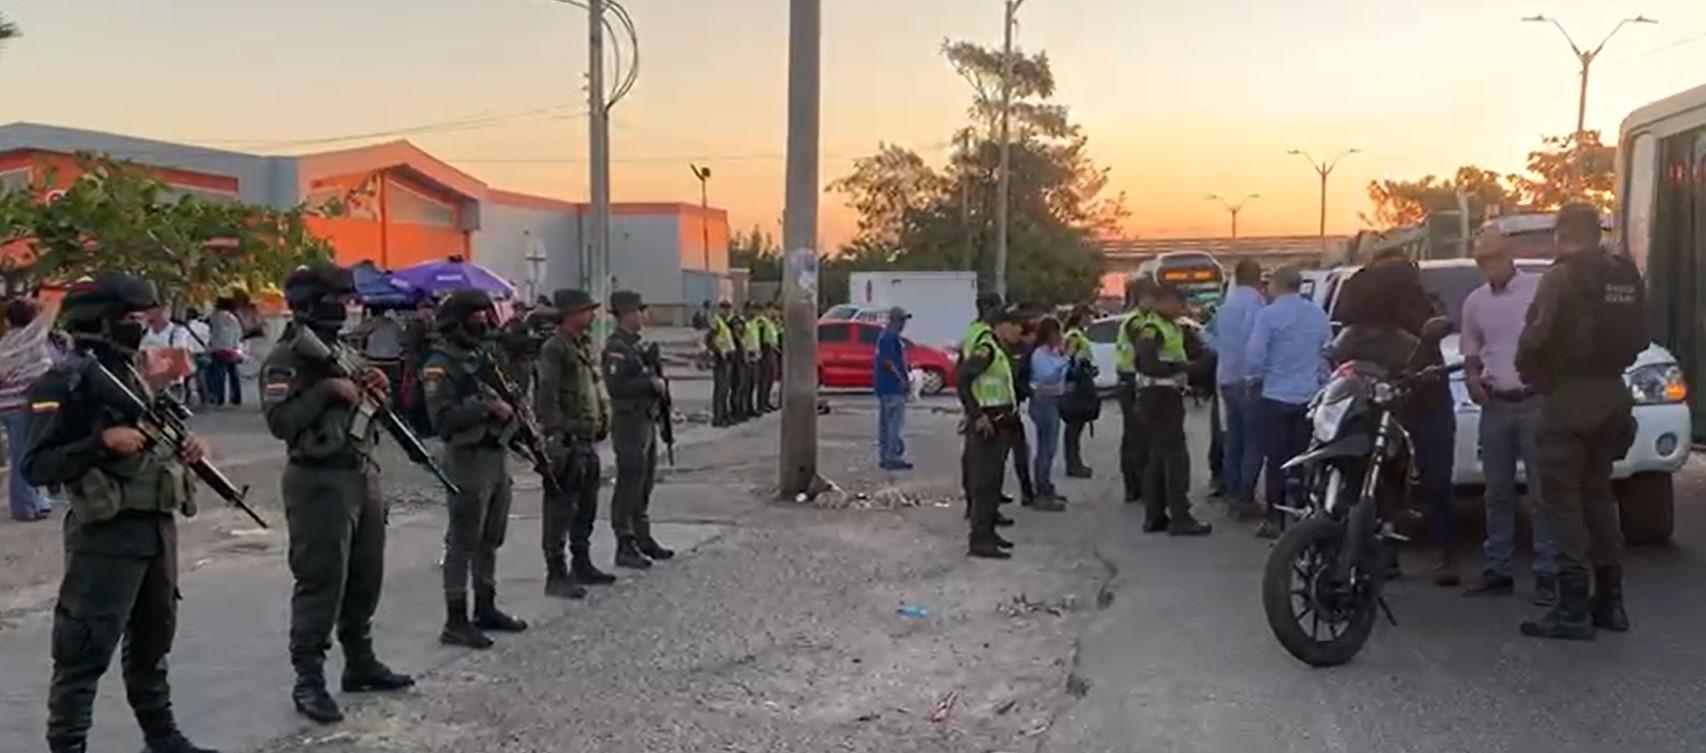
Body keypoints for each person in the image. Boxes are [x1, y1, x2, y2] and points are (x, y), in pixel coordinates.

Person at [24, 274, 219, 753]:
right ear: (101, 321)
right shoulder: (64, 382)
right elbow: (36, 466)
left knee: (154, 639)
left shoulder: (133, 376)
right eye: (130, 318)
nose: (140, 326)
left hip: (155, 527)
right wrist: (101, 442)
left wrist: (189, 448)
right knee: (84, 648)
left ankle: (161, 736)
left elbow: (161, 432)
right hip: (105, 536)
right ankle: (68, 745)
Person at [260, 264, 414, 724]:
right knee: (321, 582)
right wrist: (328, 390)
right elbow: (280, 423)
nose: (346, 306)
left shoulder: (341, 350)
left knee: (365, 577)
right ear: (310, 303)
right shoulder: (288, 357)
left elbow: (369, 408)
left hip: (360, 471)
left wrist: (376, 391)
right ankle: (308, 679)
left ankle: (360, 662)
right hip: (318, 479)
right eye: (337, 299)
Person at [1517, 203, 1648, 641]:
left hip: (1568, 399)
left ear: (1562, 235)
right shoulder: (1625, 275)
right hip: (1613, 397)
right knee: (1599, 498)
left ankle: (1572, 609)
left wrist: (1530, 371)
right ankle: (1611, 603)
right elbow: (1641, 337)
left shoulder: (1561, 277)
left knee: (1563, 503)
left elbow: (1535, 335)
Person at [1334, 245, 1458, 584]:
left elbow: (1440, 325)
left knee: (1437, 480)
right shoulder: (1360, 307)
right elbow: (1345, 339)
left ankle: (1447, 554)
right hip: (1382, 401)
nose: (1393, 276)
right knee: (1381, 479)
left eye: (1398, 269)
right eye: (1385, 270)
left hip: (1427, 396)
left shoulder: (1423, 302)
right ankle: (1385, 553)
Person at [423, 289, 530, 649]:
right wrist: (487, 409)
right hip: (467, 458)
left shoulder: (481, 357)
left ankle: (486, 607)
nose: (482, 323)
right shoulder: (441, 364)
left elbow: (509, 390)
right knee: (463, 541)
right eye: (475, 317)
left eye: (485, 316)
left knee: (490, 537)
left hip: (495, 454)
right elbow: (442, 420)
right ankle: (456, 620)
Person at [1460, 230, 1559, 604]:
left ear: (1509, 254)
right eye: (1482, 261)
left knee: (1541, 493)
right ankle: (1498, 568)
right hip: (1495, 405)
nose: (1489, 266)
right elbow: (1471, 350)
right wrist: (1473, 380)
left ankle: (1547, 572)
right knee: (1496, 492)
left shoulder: (1538, 289)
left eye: (1495, 257)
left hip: (1534, 402)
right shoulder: (1475, 302)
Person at [536, 289, 616, 591]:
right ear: (570, 314)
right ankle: (556, 572)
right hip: (567, 440)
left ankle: (582, 563)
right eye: (587, 310)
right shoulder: (555, 348)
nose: (592, 315)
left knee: (586, 506)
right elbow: (547, 396)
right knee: (560, 509)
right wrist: (555, 435)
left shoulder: (583, 344)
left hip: (588, 438)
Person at [1245, 267, 1332, 539]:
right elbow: (1327, 352)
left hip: (1275, 397)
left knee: (1276, 461)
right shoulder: (1317, 313)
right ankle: (1304, 514)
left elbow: (1255, 356)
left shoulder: (1267, 315)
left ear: (1277, 285)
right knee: (1304, 459)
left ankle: (1274, 519)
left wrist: (1256, 379)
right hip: (1308, 398)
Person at [604, 290, 676, 569]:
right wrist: (649, 383)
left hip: (646, 418)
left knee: (644, 482)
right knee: (629, 482)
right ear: (625, 314)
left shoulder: (636, 346)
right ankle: (624, 542)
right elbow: (616, 386)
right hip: (629, 421)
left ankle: (642, 537)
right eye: (638, 311)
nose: (642, 316)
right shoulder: (617, 347)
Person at [1133, 286, 1213, 536]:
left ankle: (1155, 516)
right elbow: (1147, 363)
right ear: (1164, 302)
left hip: (1165, 395)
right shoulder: (1152, 328)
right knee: (1176, 458)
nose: (1181, 309)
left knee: (1159, 457)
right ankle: (1180, 517)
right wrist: (1184, 368)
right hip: (1159, 396)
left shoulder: (1172, 327)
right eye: (1178, 304)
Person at [958, 304, 1028, 559]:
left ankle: (988, 533)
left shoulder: (999, 349)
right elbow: (963, 380)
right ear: (1002, 326)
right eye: (1015, 326)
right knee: (985, 483)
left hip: (1001, 421)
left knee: (994, 481)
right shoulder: (986, 349)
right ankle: (979, 540)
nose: (1019, 331)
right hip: (988, 423)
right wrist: (976, 415)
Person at [1210, 260, 1266, 518]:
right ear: (1257, 277)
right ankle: (1245, 497)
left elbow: (1208, 337)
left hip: (1226, 378)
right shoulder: (1255, 304)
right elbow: (1256, 343)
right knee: (1254, 441)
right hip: (1248, 380)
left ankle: (1232, 493)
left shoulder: (1225, 306)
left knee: (1234, 439)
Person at [1, 297, 57, 521]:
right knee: (23, 456)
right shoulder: (31, 340)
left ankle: (36, 501)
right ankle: (24, 506)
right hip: (23, 404)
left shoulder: (6, 342)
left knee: (25, 453)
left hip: (7, 404)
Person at [1114, 279, 1158, 504]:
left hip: (1131, 382)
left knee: (1133, 436)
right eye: (1151, 297)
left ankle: (1134, 486)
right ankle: (1138, 486)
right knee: (1138, 437)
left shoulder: (1139, 320)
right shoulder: (1136, 322)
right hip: (1131, 382)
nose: (1154, 302)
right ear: (1141, 298)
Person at [1028, 317, 1071, 506]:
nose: (1061, 337)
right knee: (1046, 448)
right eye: (1058, 333)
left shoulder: (1053, 352)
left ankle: (1046, 486)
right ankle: (1042, 491)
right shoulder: (1039, 354)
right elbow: (1048, 376)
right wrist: (1065, 359)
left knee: (1051, 448)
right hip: (1043, 402)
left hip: (1054, 400)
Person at [1060, 306, 1097, 479]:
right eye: (1089, 315)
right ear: (1081, 316)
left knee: (1076, 427)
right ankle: (1073, 464)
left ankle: (1075, 463)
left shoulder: (1078, 334)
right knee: (1074, 426)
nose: (1091, 319)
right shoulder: (1074, 336)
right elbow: (1068, 358)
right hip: (1077, 384)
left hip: (1081, 379)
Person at [874, 306, 912, 470]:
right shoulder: (890, 337)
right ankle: (892, 456)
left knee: (886, 423)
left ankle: (886, 455)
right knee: (894, 423)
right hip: (892, 387)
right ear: (896, 321)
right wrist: (902, 380)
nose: (904, 324)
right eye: (902, 320)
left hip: (885, 387)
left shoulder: (886, 336)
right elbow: (888, 362)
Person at [206, 297, 244, 407]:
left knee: (219, 375)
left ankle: (219, 398)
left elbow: (210, 333)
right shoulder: (233, 318)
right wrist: (236, 347)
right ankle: (236, 397)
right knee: (233, 374)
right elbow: (238, 334)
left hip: (218, 349)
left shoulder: (214, 317)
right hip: (231, 349)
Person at [708, 301, 736, 427]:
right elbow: (710, 340)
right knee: (720, 390)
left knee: (725, 390)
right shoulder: (717, 322)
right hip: (721, 360)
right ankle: (718, 417)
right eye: (725, 309)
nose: (727, 311)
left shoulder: (725, 323)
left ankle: (724, 415)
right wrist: (719, 352)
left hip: (728, 358)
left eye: (728, 309)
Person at [741, 302, 765, 417]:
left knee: (752, 384)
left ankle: (750, 407)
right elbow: (741, 339)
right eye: (751, 309)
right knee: (745, 385)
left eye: (754, 309)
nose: (753, 312)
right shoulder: (743, 323)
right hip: (747, 355)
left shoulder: (755, 323)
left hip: (755, 355)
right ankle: (743, 408)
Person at [758, 302, 781, 412]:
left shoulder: (771, 323)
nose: (774, 313)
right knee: (764, 379)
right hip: (765, 351)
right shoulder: (762, 322)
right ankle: (761, 404)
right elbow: (760, 337)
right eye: (772, 310)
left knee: (770, 379)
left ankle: (766, 402)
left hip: (773, 351)